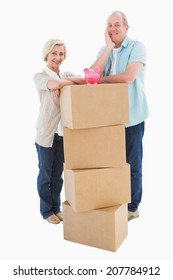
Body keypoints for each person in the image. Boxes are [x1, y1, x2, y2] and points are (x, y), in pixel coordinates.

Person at [90, 11, 149, 221]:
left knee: (132, 163)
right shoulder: (103, 49)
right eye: (109, 24)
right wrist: (107, 47)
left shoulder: (136, 47)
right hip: (108, 119)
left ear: (126, 27)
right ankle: (115, 199)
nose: (112, 28)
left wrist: (100, 81)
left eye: (116, 24)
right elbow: (92, 76)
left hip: (131, 116)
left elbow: (128, 77)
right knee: (111, 163)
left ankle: (132, 206)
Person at [33, 38, 78, 224]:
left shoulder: (65, 74)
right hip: (46, 134)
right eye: (54, 53)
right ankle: (46, 210)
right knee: (45, 175)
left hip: (62, 134)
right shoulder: (40, 76)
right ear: (47, 55)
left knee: (57, 174)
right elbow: (52, 84)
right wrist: (59, 84)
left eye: (61, 54)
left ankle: (57, 208)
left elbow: (81, 81)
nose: (58, 57)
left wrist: (62, 82)